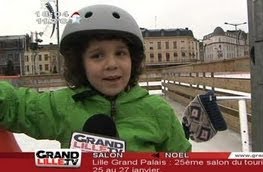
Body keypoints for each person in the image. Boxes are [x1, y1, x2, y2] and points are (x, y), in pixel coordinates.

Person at [0, 4, 191, 152]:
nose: (111, 64)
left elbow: (181, 163)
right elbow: (19, 106)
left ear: (133, 59)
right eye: (97, 55)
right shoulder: (64, 105)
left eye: (120, 53)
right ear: (80, 63)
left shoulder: (157, 111)